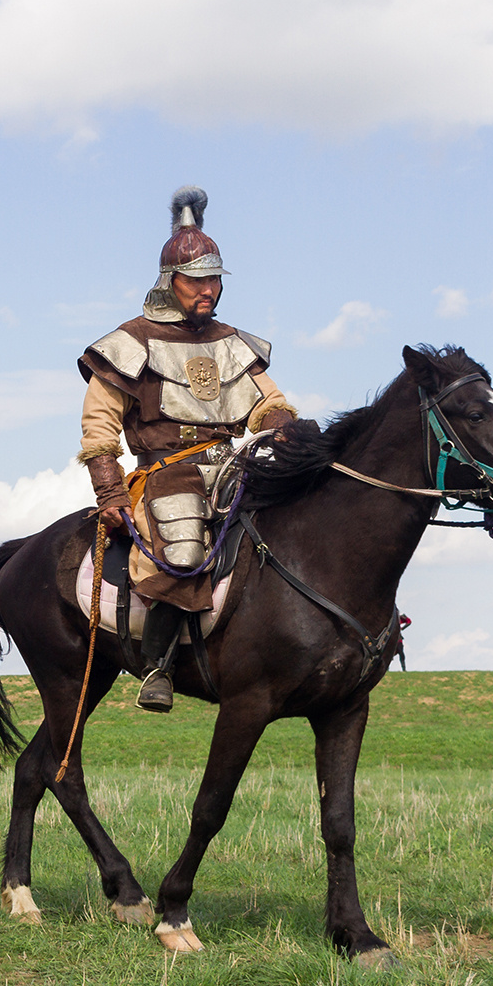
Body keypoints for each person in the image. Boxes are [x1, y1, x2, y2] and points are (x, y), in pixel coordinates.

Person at [79, 186, 299, 712]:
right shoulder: (131, 342)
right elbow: (99, 424)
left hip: (234, 465)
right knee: (183, 551)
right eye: (196, 280)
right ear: (168, 281)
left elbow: (268, 403)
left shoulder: (233, 342)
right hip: (167, 474)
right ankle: (157, 669)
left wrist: (282, 426)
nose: (207, 291)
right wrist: (109, 491)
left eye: (214, 280)